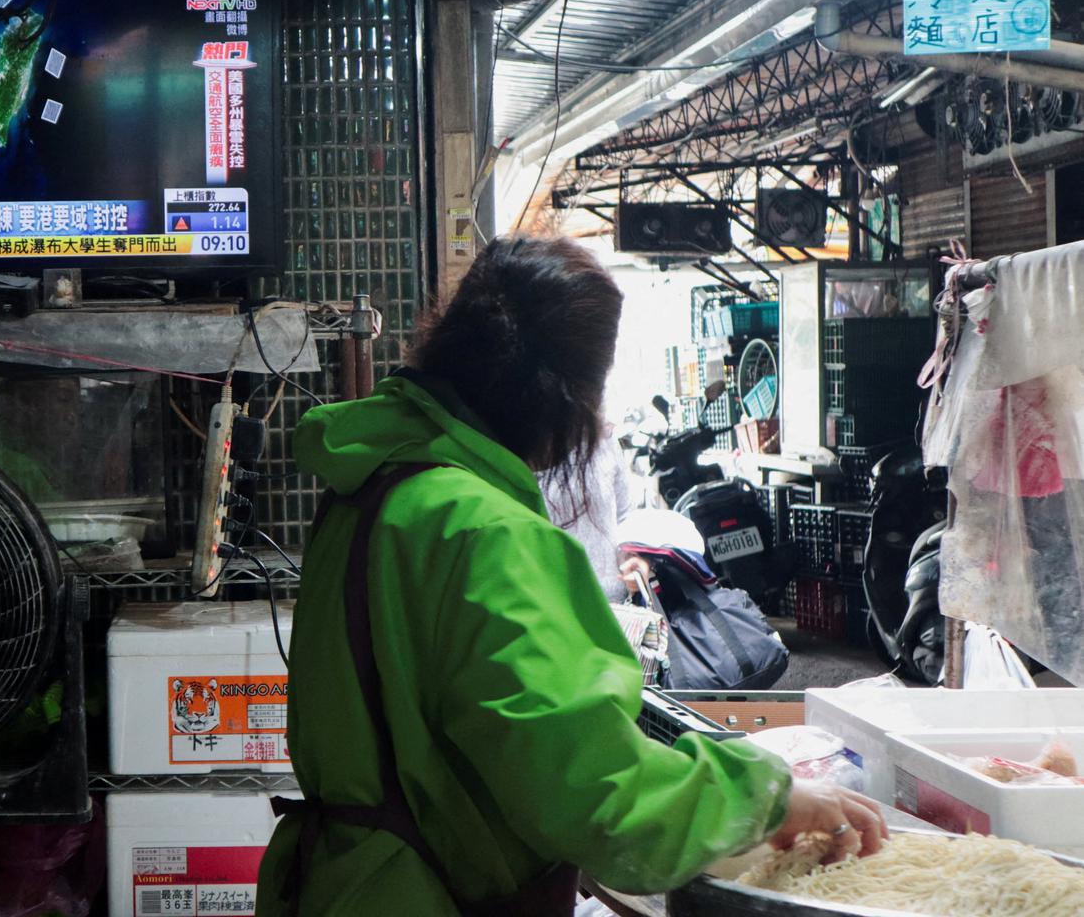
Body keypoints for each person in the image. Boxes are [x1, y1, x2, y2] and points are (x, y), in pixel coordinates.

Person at [256, 237, 884, 916]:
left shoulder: (372, 486)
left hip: (341, 886)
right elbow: (602, 799)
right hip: (427, 898)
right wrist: (766, 796)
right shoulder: (484, 531)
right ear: (562, 396)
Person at [539, 428, 648, 603]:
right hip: (552, 608)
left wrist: (633, 558)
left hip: (617, 604)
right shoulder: (509, 451)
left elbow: (626, 515)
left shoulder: (602, 439)